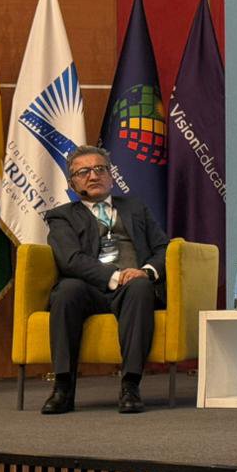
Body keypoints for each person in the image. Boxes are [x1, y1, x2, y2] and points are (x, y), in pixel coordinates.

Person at [41, 145, 170, 415]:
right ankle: (63, 387)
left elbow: (163, 249)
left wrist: (146, 271)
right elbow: (71, 260)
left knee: (141, 286)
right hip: (88, 288)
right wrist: (115, 276)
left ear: (111, 176)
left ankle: (130, 385)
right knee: (65, 290)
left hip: (133, 287)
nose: (93, 176)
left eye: (99, 169)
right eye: (83, 172)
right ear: (72, 183)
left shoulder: (136, 208)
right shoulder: (61, 216)